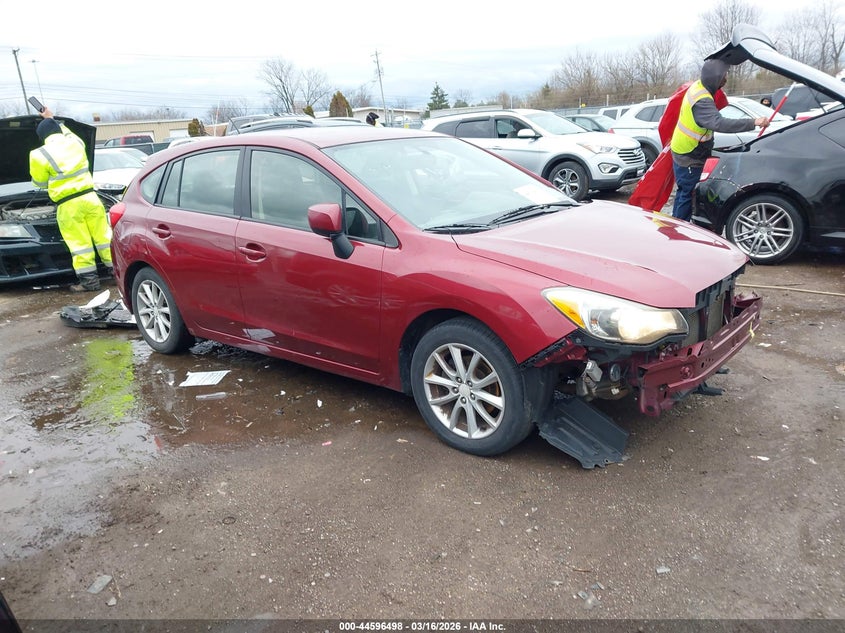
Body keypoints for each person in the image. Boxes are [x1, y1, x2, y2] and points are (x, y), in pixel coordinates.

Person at [669, 59, 770, 221]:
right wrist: (753, 122)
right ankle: (680, 230)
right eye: (724, 75)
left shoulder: (699, 87)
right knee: (688, 193)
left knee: (683, 192)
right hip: (689, 153)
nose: (726, 78)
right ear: (715, 77)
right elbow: (718, 123)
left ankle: (676, 224)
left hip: (684, 148)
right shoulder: (702, 99)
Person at [29, 107, 113, 292]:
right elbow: (66, 131)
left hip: (68, 205)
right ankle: (118, 274)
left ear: (42, 136)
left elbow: (40, 183)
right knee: (104, 238)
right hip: (91, 198)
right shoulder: (75, 142)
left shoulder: (39, 154)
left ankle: (90, 283)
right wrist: (52, 118)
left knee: (80, 244)